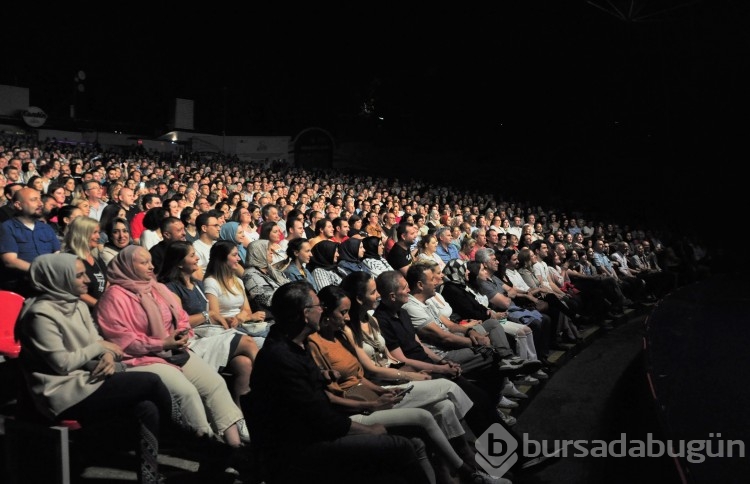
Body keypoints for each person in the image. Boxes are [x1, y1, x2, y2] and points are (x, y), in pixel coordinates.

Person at [310, 285, 506, 484]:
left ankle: (465, 463)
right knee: (453, 389)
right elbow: (354, 381)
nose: (346, 317)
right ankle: (473, 467)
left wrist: (391, 385)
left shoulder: (346, 332)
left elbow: (364, 373)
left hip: (377, 388)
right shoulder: (321, 341)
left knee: (445, 406)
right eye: (342, 312)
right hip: (360, 401)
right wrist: (386, 393)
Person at [243, 280, 432, 484]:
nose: (322, 310)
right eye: (319, 306)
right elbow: (320, 417)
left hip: (318, 431)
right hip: (302, 449)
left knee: (415, 441)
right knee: (401, 446)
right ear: (306, 313)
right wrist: (368, 429)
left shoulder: (294, 344)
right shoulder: (281, 357)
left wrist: (321, 376)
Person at [15, 253, 174, 484]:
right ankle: (191, 436)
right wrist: (100, 348)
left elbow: (100, 344)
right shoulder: (39, 314)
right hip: (61, 392)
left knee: (147, 406)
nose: (87, 281)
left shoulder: (76, 304)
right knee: (151, 381)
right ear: (58, 278)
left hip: (87, 377)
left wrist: (107, 355)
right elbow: (62, 364)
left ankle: (148, 476)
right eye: (79, 276)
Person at [96, 245, 245, 448]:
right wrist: (161, 343)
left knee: (215, 384)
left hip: (173, 351)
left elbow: (180, 317)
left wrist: (182, 333)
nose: (151, 266)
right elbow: (123, 341)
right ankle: (208, 447)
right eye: (143, 262)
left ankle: (234, 446)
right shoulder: (113, 297)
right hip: (141, 358)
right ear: (128, 266)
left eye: (151, 261)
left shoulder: (157, 288)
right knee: (187, 393)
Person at [158, 240, 258, 439]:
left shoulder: (197, 284)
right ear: (179, 262)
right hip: (193, 340)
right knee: (248, 342)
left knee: (244, 364)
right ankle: (272, 392)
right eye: (192, 255)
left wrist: (221, 318)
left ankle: (240, 418)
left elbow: (212, 314)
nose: (197, 258)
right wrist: (207, 316)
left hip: (210, 333)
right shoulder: (171, 288)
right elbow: (180, 322)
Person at [0, 187, 62, 296]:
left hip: (48, 287)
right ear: (18, 205)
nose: (40, 204)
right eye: (34, 200)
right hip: (21, 288)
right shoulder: (7, 227)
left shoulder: (46, 228)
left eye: (40, 199)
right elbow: (10, 261)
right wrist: (41, 272)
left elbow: (57, 254)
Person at [62, 216, 108, 319]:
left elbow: (106, 281)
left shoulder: (96, 258)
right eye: (94, 232)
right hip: (80, 315)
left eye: (98, 232)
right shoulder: (71, 259)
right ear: (82, 234)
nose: (98, 237)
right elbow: (75, 292)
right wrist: (101, 306)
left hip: (99, 312)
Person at [243, 239, 290, 320]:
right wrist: (293, 297)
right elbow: (267, 299)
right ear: (258, 253)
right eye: (268, 250)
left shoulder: (272, 271)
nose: (272, 252)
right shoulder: (250, 275)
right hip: (271, 319)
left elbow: (290, 285)